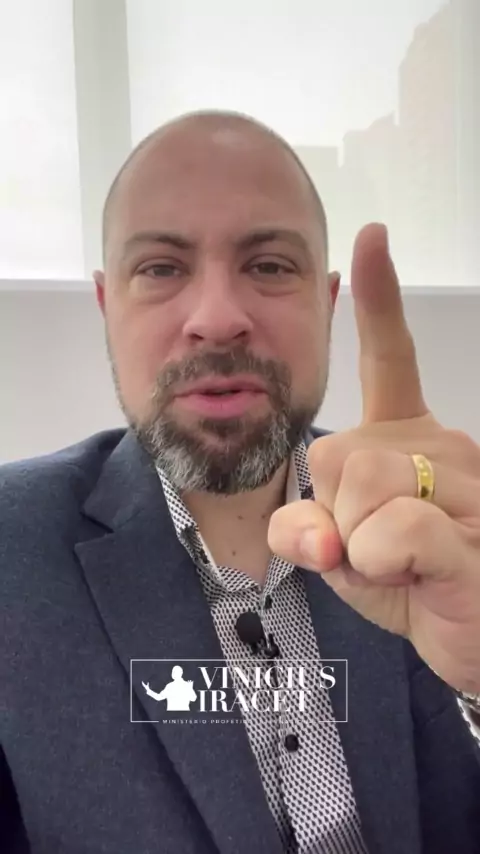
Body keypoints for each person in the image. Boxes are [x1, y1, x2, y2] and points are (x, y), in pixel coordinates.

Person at [1, 110, 480, 854]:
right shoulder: (11, 555)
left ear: (327, 303)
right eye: (161, 268)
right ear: (107, 304)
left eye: (269, 266)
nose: (218, 318)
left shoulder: (433, 526)